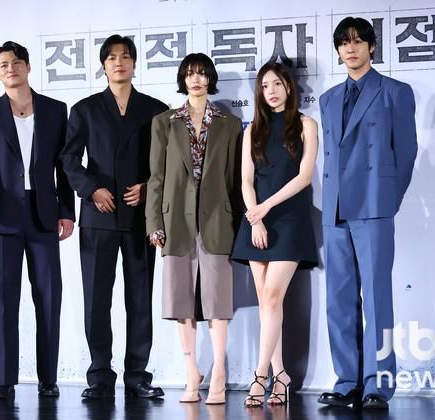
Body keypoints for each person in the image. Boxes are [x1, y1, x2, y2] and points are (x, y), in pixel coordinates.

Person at [317, 17, 417, 409]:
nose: (351, 48)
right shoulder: (328, 99)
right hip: (337, 209)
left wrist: (387, 200)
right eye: (344, 43)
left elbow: (405, 153)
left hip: (374, 205)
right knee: (338, 299)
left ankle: (378, 383)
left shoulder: (394, 92)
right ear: (338, 50)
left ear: (372, 46)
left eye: (359, 41)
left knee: (377, 299)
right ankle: (347, 381)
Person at [60, 35, 168, 400]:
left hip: (139, 217)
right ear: (103, 65)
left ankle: (137, 375)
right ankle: (99, 376)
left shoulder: (155, 110)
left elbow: (167, 163)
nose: (118, 62)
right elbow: (69, 160)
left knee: (140, 299)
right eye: (111, 58)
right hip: (98, 216)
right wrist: (92, 189)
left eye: (124, 57)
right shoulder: (85, 109)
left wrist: (149, 187)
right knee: (97, 301)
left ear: (135, 63)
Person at [0, 41, 75, 400]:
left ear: (28, 67)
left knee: (49, 297)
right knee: (3, 298)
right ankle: (3, 380)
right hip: (2, 217)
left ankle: (48, 378)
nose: (10, 69)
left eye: (16, 62)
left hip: (44, 215)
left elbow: (64, 166)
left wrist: (67, 211)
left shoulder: (55, 110)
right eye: (3, 65)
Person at [146, 53, 241, 405]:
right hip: (175, 220)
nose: (196, 79)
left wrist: (239, 221)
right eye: (189, 74)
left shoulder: (229, 124)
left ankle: (219, 372)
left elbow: (235, 178)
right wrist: (153, 221)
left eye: (201, 73)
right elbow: (156, 177)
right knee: (181, 299)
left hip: (218, 218)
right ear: (183, 80)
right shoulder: (164, 122)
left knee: (217, 300)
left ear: (210, 78)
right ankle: (191, 373)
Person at [231, 62, 318, 407]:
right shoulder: (253, 130)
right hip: (256, 222)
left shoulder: (306, 125)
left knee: (271, 298)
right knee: (269, 304)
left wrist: (265, 208)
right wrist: (256, 219)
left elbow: (304, 177)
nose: (271, 91)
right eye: (265, 85)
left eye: (277, 84)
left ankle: (259, 375)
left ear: (289, 87)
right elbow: (245, 181)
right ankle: (280, 375)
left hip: (289, 219)